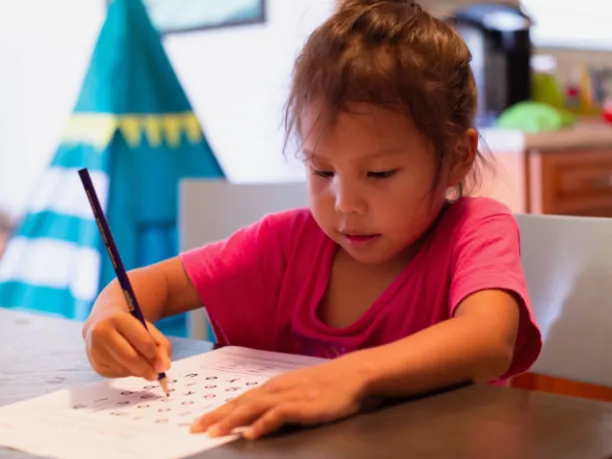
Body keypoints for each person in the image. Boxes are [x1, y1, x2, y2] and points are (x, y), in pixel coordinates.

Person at [83, 0, 542, 440]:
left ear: (458, 157)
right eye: (322, 170)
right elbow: (151, 285)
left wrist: (351, 376)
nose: (344, 204)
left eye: (379, 173)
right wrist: (105, 321)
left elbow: (489, 339)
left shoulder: (474, 230)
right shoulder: (284, 244)